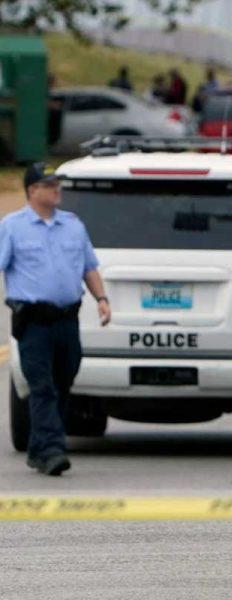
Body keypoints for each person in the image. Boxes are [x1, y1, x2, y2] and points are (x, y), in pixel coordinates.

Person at [0, 164, 111, 476]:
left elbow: (89, 267)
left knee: (63, 383)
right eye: (49, 184)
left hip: (66, 321)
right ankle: (51, 451)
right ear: (32, 190)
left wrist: (102, 299)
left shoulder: (73, 225)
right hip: (33, 322)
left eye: (57, 183)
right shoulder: (12, 226)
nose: (56, 189)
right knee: (42, 387)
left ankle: (38, 449)